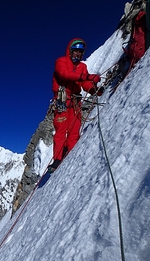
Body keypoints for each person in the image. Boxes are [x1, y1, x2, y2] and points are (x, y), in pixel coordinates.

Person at [47, 38, 101, 173]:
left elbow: (84, 83)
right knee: (61, 129)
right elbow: (64, 74)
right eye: (76, 51)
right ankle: (57, 159)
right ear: (70, 51)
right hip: (62, 101)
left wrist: (93, 89)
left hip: (75, 102)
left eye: (80, 52)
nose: (78, 54)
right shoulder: (61, 62)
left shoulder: (82, 67)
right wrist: (86, 78)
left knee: (74, 129)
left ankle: (71, 153)